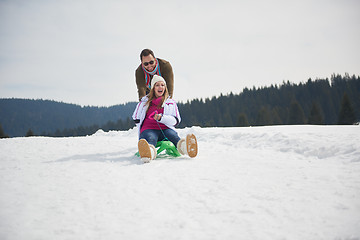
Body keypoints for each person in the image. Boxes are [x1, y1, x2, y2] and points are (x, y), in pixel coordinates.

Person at [132, 75, 197, 163]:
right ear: (153, 88)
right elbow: (135, 118)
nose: (160, 87)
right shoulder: (144, 102)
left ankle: (186, 148)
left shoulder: (170, 102)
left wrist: (161, 118)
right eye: (157, 85)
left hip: (165, 129)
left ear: (165, 87)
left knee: (173, 136)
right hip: (149, 129)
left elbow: (176, 120)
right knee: (150, 138)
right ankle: (149, 153)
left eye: (162, 85)